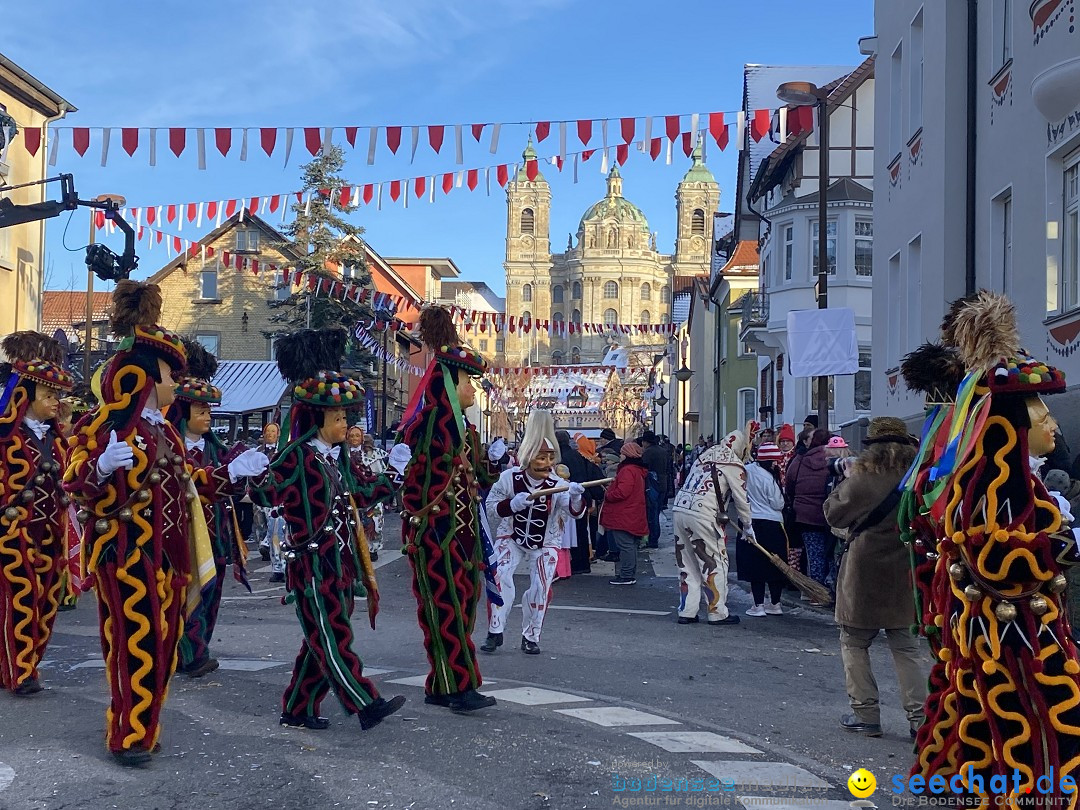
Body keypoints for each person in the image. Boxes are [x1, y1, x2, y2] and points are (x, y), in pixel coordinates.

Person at [911, 291, 1080, 798]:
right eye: (1039, 411)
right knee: (1026, 720)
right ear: (1013, 426)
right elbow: (995, 556)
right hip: (1012, 638)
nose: (1051, 422)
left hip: (1019, 629)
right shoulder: (995, 487)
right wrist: (1065, 545)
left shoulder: (1025, 482)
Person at [64, 281, 205, 765]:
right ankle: (128, 734)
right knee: (132, 641)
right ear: (143, 376)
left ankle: (145, 726)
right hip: (124, 549)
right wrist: (99, 469)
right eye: (168, 373)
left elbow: (187, 487)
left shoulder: (167, 431)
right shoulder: (103, 425)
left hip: (168, 555)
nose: (173, 384)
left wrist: (227, 477)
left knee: (163, 642)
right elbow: (73, 478)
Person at [254, 327, 405, 733]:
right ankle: (365, 703)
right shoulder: (295, 457)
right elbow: (265, 493)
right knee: (333, 638)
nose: (345, 424)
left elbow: (364, 490)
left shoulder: (336, 458)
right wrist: (250, 476)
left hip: (340, 563)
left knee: (318, 643)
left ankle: (297, 708)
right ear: (318, 418)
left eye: (346, 418)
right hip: (311, 565)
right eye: (339, 418)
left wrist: (396, 476)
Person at [399, 307, 502, 713]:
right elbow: (419, 484)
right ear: (449, 381)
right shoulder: (428, 426)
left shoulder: (467, 431)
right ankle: (458, 686)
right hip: (435, 536)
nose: (473, 391)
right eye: (467, 383)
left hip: (464, 537)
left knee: (462, 608)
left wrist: (491, 463)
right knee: (445, 612)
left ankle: (443, 684)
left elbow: (479, 481)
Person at [167, 339, 268, 678]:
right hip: (185, 537)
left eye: (209, 411)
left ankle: (198, 647)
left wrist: (247, 472)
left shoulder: (220, 448)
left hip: (218, 535)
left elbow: (236, 487)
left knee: (212, 595)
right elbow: (194, 484)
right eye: (201, 412)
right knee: (188, 597)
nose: (208, 417)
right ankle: (191, 653)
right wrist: (230, 474)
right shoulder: (172, 450)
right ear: (184, 413)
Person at [823, 417, 926, 739]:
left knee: (854, 642)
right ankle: (920, 721)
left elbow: (832, 513)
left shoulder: (864, 478)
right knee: (906, 648)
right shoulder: (920, 479)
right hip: (905, 568)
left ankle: (866, 714)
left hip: (864, 570)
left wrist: (846, 479)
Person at [0, 332, 75, 697]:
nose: (55, 403)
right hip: (14, 534)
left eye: (57, 395)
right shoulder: (6, 439)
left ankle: (29, 661)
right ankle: (20, 670)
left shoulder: (59, 440)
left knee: (45, 601)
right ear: (26, 398)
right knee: (19, 599)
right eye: (48, 395)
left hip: (51, 534)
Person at [484, 412, 585, 653]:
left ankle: (531, 636)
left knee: (541, 587)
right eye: (541, 457)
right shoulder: (509, 478)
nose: (547, 464)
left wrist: (576, 496)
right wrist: (512, 505)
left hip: (546, 541)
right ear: (529, 458)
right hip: (511, 536)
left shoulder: (558, 484)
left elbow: (573, 513)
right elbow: (490, 508)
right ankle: (495, 631)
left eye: (550, 458)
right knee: (500, 579)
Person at [672, 424, 755, 626]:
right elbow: (741, 498)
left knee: (686, 563)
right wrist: (748, 525)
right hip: (704, 514)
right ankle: (717, 611)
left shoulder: (705, 455)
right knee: (714, 562)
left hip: (680, 509)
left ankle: (687, 611)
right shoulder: (733, 464)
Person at [785, 428, 833, 601]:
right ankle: (830, 590)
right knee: (832, 553)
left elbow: (789, 484)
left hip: (805, 515)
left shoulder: (799, 460)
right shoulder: (835, 459)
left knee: (814, 554)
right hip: (832, 515)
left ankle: (815, 592)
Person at [740, 443, 788, 617]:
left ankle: (757, 605)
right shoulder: (769, 478)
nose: (776, 464)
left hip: (750, 522)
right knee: (776, 565)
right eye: (774, 461)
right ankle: (775, 604)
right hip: (772, 524)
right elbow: (778, 503)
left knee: (755, 566)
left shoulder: (747, 470)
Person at [555, 429, 603, 574]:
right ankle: (583, 563)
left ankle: (574, 563)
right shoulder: (577, 454)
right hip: (583, 495)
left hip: (568, 498)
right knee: (582, 530)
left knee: (570, 532)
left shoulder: (560, 457)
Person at [601, 441, 649, 586]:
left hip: (624, 513)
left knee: (625, 545)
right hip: (633, 512)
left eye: (622, 453)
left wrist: (609, 494)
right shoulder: (636, 470)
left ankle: (626, 575)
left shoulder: (627, 470)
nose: (620, 455)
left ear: (627, 454)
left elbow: (623, 492)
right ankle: (629, 573)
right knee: (631, 545)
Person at [253, 422, 286, 583]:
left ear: (278, 434)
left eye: (273, 431)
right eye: (267, 431)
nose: (270, 434)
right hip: (262, 496)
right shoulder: (257, 452)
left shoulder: (284, 452)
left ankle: (284, 566)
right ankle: (277, 568)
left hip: (280, 497)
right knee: (267, 529)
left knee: (280, 533)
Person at [641, 431, 668, 549]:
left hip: (652, 484)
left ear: (646, 442)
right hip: (663, 483)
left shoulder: (648, 453)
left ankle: (652, 539)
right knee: (656, 511)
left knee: (651, 513)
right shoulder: (663, 451)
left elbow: (644, 468)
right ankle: (654, 538)